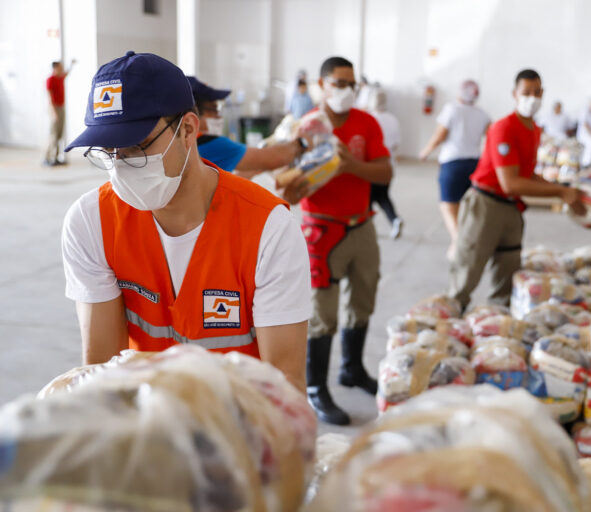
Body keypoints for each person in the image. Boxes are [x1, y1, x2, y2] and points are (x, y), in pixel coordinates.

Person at [60, 51, 311, 392]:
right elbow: (103, 376)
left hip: (242, 431)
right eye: (108, 151)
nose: (120, 166)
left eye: (135, 147)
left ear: (188, 129)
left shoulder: (267, 228)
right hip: (142, 430)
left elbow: (285, 387)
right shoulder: (92, 223)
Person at [285, 56, 392, 425]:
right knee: (322, 313)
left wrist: (350, 166)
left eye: (352, 85)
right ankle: (317, 389)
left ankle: (352, 369)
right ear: (322, 84)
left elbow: (385, 171)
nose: (346, 91)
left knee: (363, 300)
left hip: (361, 226)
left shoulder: (367, 123)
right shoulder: (308, 126)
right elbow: (286, 181)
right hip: (321, 230)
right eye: (339, 83)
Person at [448, 69, 584, 310]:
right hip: (486, 205)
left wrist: (562, 187)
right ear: (514, 94)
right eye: (526, 92)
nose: (532, 98)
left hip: (511, 208)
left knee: (507, 274)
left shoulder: (533, 129)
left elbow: (526, 174)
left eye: (537, 92)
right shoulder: (503, 127)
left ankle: (494, 327)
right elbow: (509, 182)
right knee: (467, 273)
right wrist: (561, 193)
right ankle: (450, 322)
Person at [188, 76, 307, 198]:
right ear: (193, 114)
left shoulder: (182, 144)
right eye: (214, 110)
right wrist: (301, 141)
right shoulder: (211, 144)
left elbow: (228, 179)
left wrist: (259, 165)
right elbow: (277, 157)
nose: (219, 116)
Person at [419, 79, 491, 258]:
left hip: (452, 163)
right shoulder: (482, 114)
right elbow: (492, 137)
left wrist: (425, 151)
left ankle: (457, 239)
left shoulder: (451, 109)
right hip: (474, 164)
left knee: (448, 204)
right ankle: (466, 238)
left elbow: (439, 136)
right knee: (468, 205)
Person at [370, 89, 404, 239]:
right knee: (383, 196)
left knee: (368, 198)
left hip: (370, 166)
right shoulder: (393, 119)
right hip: (388, 165)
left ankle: (366, 228)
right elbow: (396, 144)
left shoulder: (369, 119)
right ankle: (395, 220)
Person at [45, 59, 75, 166]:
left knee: (59, 134)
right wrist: (54, 112)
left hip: (61, 107)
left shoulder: (60, 78)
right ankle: (48, 157)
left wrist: (71, 64)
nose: (62, 69)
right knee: (53, 134)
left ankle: (56, 157)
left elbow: (67, 73)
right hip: (54, 108)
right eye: (60, 67)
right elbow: (49, 97)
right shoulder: (50, 79)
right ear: (55, 68)